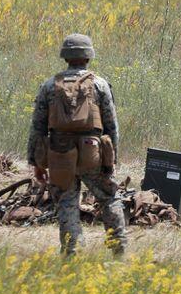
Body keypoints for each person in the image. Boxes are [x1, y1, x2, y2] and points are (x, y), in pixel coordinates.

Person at [28, 33, 126, 255]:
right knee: (110, 199)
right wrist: (112, 160)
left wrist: (36, 163)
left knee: (66, 203)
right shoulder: (99, 84)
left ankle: (73, 255)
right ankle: (118, 252)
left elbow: (37, 127)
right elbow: (112, 125)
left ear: (65, 57)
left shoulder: (49, 86)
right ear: (88, 56)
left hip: (59, 153)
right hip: (93, 154)